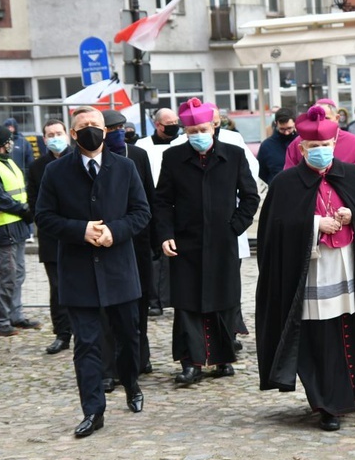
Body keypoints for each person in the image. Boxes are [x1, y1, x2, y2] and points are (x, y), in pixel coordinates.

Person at [256, 105, 355, 432]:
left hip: (349, 271)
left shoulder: (353, 177)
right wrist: (313, 224)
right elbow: (273, 233)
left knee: (348, 329)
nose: (320, 152)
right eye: (313, 148)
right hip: (311, 274)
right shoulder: (285, 184)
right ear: (302, 148)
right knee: (318, 337)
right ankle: (325, 401)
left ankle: (348, 391)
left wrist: (354, 216)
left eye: (326, 146)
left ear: (335, 143)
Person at [35, 105, 150, 438]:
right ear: (74, 133)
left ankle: (131, 384)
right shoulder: (56, 172)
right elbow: (44, 216)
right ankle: (93, 410)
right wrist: (80, 229)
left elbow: (141, 213)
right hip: (78, 271)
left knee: (128, 338)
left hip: (118, 269)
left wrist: (115, 231)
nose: (91, 130)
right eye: (84, 126)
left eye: (96, 125)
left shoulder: (125, 167)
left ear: (106, 130)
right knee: (86, 344)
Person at [154, 98, 259, 385]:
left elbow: (250, 197)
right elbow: (162, 201)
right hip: (186, 244)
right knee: (188, 303)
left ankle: (223, 359)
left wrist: (235, 227)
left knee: (223, 301)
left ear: (213, 127)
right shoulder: (173, 158)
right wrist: (166, 235)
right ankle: (192, 363)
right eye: (192, 131)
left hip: (223, 242)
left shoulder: (234, 154)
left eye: (202, 129)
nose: (198, 135)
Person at [102, 109, 156, 378]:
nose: (119, 133)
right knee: (111, 308)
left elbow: (148, 197)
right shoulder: (97, 160)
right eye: (113, 129)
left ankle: (140, 357)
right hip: (108, 240)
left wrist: (156, 238)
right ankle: (111, 366)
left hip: (139, 240)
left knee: (140, 302)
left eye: (122, 127)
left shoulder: (137, 155)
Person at [0, 124, 41, 337]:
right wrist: (25, 211)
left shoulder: (6, 161)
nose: (12, 143)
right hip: (3, 226)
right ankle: (1, 322)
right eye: (9, 140)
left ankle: (15, 315)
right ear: (2, 145)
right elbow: (0, 199)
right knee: (7, 275)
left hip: (18, 224)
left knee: (18, 274)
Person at [27, 120, 73, 354]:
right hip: (51, 237)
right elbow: (34, 205)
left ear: (67, 135)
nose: (55, 137)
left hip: (79, 234)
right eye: (50, 134)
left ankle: (86, 332)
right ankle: (62, 334)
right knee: (58, 288)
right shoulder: (37, 167)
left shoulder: (78, 159)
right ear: (44, 139)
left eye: (59, 133)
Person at [136, 107, 181, 317]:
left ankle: (174, 297)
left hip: (179, 204)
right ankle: (154, 300)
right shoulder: (143, 146)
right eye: (168, 123)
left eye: (175, 122)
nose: (173, 127)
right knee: (154, 255)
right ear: (158, 125)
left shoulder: (182, 144)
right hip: (152, 204)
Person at [284, 99, 355, 176]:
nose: (320, 123)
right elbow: (289, 178)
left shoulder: (354, 143)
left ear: (337, 118)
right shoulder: (298, 143)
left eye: (326, 118)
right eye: (315, 119)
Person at [3, 118, 36, 243]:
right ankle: (14, 233)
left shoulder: (23, 142)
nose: (10, 129)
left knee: (26, 205)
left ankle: (30, 232)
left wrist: (28, 177)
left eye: (12, 126)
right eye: (7, 126)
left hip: (23, 180)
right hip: (7, 181)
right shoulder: (4, 143)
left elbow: (30, 161)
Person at [258, 107, 298, 185]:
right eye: (282, 129)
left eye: (289, 128)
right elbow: (262, 174)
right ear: (276, 124)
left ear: (294, 123)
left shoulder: (301, 142)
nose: (286, 132)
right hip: (276, 190)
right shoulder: (267, 146)